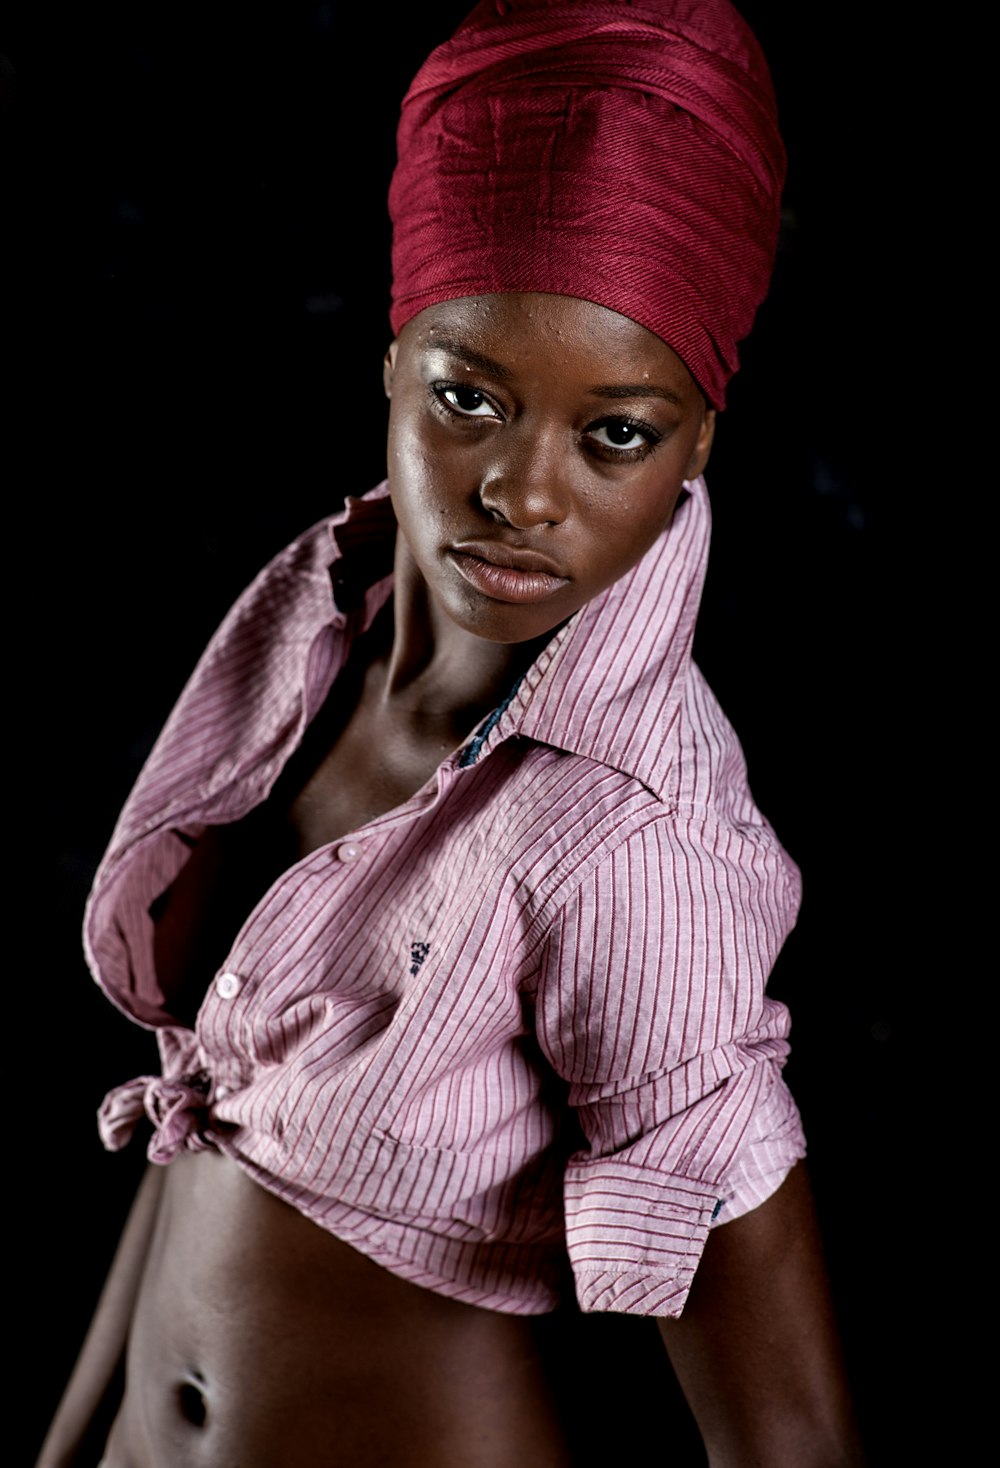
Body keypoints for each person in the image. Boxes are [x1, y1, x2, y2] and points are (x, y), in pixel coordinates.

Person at [37, 2, 866, 1464]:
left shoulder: (635, 834)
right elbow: (204, 1120)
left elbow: (783, 1428)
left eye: (616, 431)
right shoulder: (311, 641)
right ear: (392, 364)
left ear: (699, 442)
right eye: (468, 399)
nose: (519, 492)